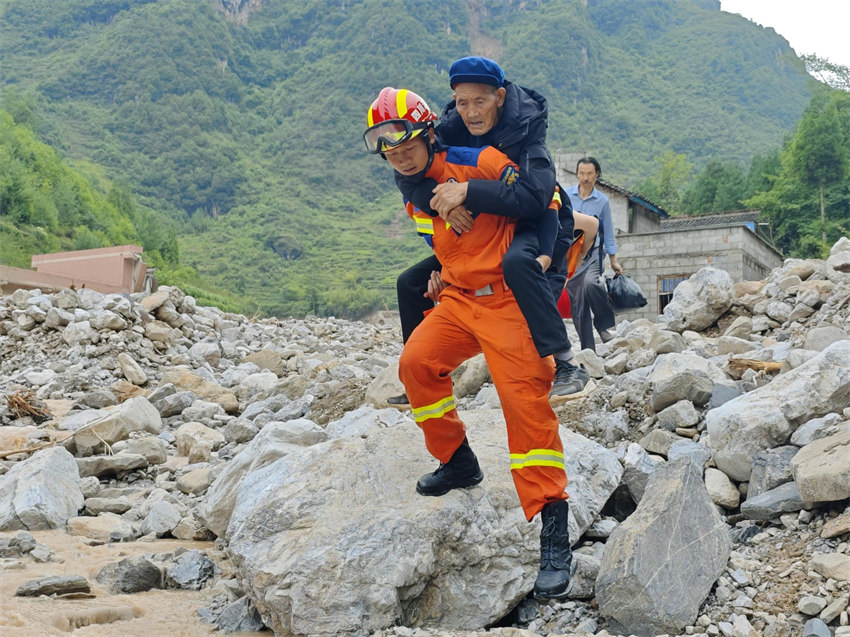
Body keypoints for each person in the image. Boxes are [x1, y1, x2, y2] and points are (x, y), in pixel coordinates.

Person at [364, 87, 574, 600]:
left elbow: (540, 198)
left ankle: (553, 528)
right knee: (415, 363)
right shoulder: (410, 189)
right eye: (388, 150)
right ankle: (458, 459)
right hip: (458, 299)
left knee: (525, 408)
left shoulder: (480, 159)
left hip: (506, 301)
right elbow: (440, 243)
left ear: (428, 132)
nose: (398, 155)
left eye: (405, 144)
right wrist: (439, 272)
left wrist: (539, 257)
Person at [391, 57, 588, 405]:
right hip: (482, 231)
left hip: (536, 221)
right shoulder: (451, 128)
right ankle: (420, 379)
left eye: (479, 101)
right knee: (411, 283)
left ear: (499, 96)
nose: (471, 112)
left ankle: (567, 363)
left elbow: (534, 197)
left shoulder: (527, 130)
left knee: (517, 263)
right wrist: (443, 204)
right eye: (462, 102)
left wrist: (467, 192)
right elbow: (409, 173)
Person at [565, 157, 622, 352]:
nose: (585, 178)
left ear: (597, 175)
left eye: (589, 173)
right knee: (578, 299)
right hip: (571, 254)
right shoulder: (566, 196)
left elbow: (608, 230)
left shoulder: (602, 201)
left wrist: (613, 260)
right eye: (582, 173)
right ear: (577, 174)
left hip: (593, 253)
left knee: (591, 284)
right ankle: (588, 348)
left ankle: (604, 324)